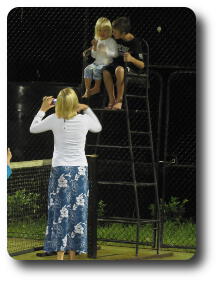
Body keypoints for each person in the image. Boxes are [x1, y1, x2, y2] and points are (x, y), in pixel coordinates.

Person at [30, 87, 102, 260]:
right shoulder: (84, 121)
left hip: (61, 171)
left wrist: (42, 109)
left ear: (59, 104)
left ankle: (60, 258)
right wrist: (86, 108)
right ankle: (72, 257)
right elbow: (98, 127)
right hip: (80, 171)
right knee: (77, 213)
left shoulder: (54, 118)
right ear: (75, 103)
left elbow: (33, 128)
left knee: (60, 212)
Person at [103, 17, 145, 110]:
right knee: (105, 71)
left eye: (115, 32)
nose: (113, 34)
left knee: (119, 70)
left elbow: (142, 65)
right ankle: (111, 100)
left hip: (131, 70)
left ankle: (119, 101)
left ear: (123, 33)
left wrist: (131, 59)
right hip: (117, 65)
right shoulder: (115, 39)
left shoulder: (134, 43)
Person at [82, 17, 118, 98]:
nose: (102, 32)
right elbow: (94, 55)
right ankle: (87, 90)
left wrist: (106, 51)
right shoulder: (98, 40)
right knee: (87, 69)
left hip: (107, 63)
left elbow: (115, 54)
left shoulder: (111, 41)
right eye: (100, 30)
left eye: (105, 30)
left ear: (109, 30)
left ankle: (96, 87)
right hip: (97, 62)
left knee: (96, 70)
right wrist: (94, 47)